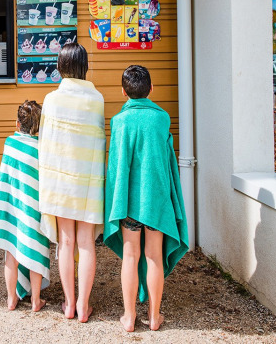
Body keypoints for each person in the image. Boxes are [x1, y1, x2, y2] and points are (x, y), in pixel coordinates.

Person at [103, 65, 189, 332]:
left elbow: (115, 168)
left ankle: (129, 318)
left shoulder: (119, 121)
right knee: (153, 256)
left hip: (128, 201)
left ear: (123, 92)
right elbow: (167, 163)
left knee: (130, 255)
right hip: (156, 200)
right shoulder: (162, 118)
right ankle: (154, 317)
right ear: (151, 89)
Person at [37, 43, 105, 322]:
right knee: (86, 242)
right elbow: (98, 141)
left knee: (66, 241)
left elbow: (46, 143)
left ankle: (68, 303)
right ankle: (84, 307)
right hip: (88, 180)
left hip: (61, 181)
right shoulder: (96, 99)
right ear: (84, 66)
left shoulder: (52, 99)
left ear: (60, 66)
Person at [0, 100, 51, 312]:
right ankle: (36, 301)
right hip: (34, 209)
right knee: (37, 252)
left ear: (18, 123)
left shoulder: (10, 143)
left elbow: (7, 178)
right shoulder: (42, 148)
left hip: (13, 207)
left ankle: (12, 299)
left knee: (11, 252)